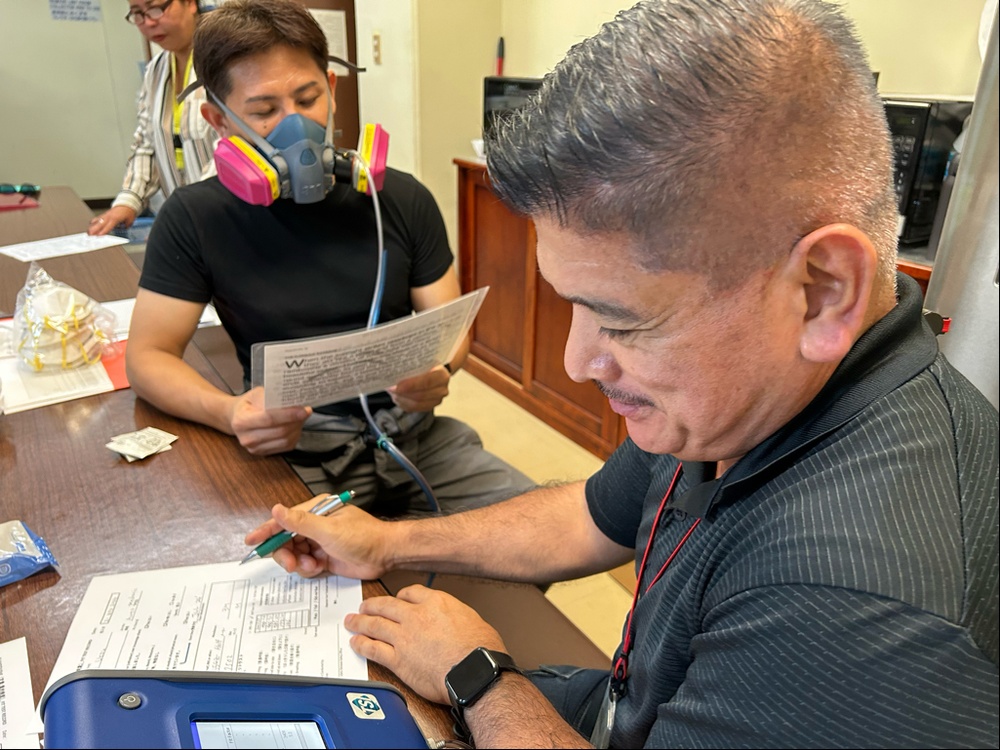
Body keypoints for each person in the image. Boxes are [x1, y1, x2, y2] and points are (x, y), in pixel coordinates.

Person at [244, 0, 1000, 747]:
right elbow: (589, 516)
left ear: (823, 290)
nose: (578, 362)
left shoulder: (855, 616)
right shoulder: (745, 394)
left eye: (625, 320)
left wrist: (479, 676)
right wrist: (387, 543)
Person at [125, 0, 535, 516]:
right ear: (218, 120)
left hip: (412, 438)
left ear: (332, 90)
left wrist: (440, 371)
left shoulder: (400, 200)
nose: (296, 126)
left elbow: (448, 331)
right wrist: (230, 413)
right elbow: (147, 358)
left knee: (543, 530)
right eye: (263, 110)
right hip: (292, 451)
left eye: (307, 98)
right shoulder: (194, 217)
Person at [88, 0, 217, 236]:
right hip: (189, 221)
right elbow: (147, 143)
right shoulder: (156, 70)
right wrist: (129, 200)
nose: (148, 22)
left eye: (156, 8)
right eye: (138, 14)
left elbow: (237, 143)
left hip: (227, 213)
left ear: (189, 3)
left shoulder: (226, 57)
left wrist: (195, 205)